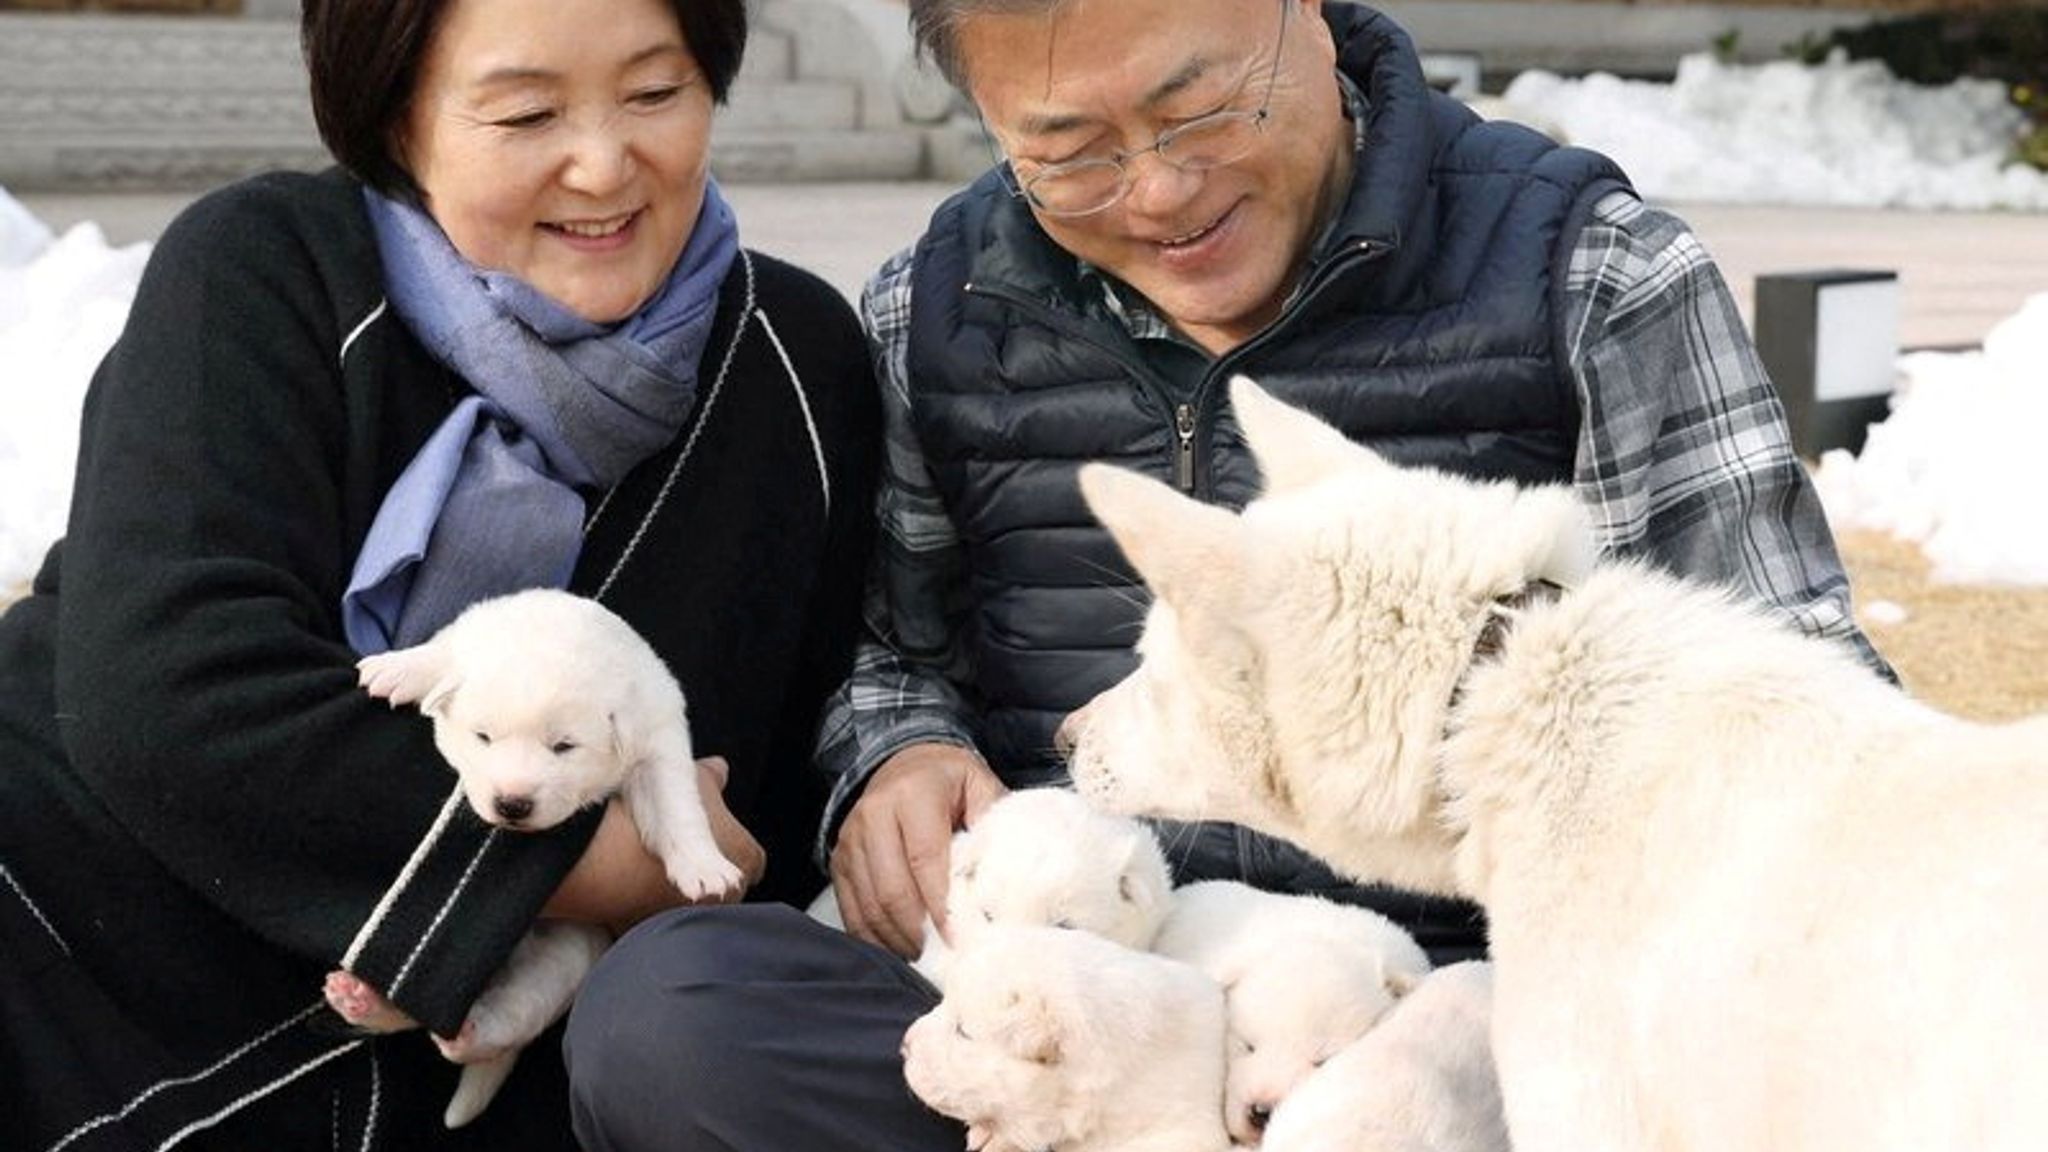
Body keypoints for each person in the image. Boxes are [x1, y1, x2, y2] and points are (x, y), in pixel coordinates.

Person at [562, 0, 1892, 1148]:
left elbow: (1803, 719)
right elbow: (898, 653)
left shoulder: (1591, 275)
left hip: (1446, 1012)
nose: (1156, 192)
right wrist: (898, 756)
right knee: (670, 1018)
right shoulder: (938, 311)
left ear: (1306, 16)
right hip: (1085, 993)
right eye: (1065, 154)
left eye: (1199, 112)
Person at [0, 0, 880, 1146]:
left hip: (494, 1040)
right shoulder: (265, 265)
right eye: (525, 112)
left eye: (656, 94)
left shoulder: (794, 360)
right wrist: (602, 859)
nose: (604, 163)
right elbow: (168, 687)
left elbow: (800, 739)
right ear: (396, 118)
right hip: (76, 919)